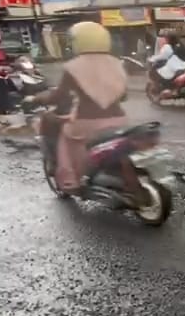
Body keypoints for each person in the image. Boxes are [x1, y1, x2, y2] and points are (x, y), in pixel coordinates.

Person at [26, 21, 150, 205]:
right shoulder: (117, 63)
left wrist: (36, 99)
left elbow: (58, 95)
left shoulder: (73, 66)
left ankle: (71, 181)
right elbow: (123, 96)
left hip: (86, 121)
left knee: (63, 136)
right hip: (118, 120)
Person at [149, 30, 185, 95]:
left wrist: (151, 59)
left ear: (169, 38)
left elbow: (162, 56)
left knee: (161, 73)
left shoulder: (167, 47)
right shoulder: (181, 44)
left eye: (166, 37)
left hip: (174, 66)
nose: (165, 39)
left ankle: (168, 89)